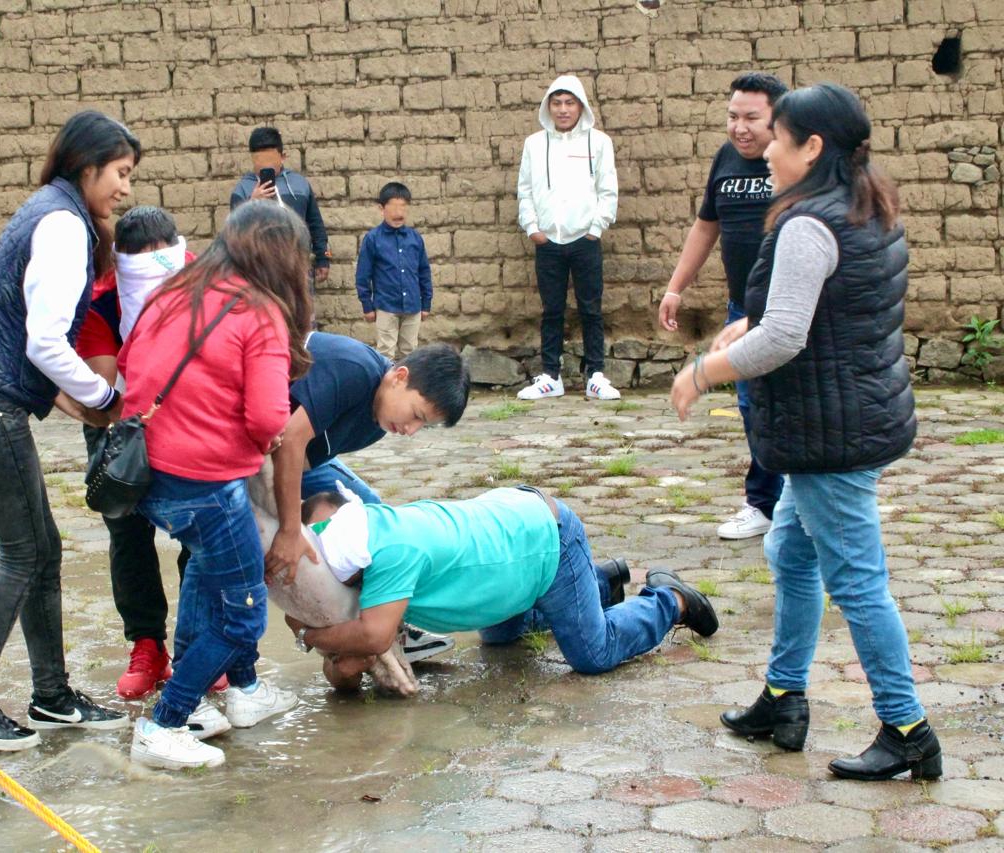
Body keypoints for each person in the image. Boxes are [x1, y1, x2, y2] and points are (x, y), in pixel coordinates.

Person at [670, 83, 940, 782]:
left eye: (780, 141)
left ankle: (908, 727)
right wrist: (741, 325)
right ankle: (785, 697)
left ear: (812, 148)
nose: (768, 154)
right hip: (854, 416)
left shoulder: (807, 224)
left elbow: (786, 336)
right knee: (790, 547)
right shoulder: (864, 206)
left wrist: (704, 370)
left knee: (857, 581)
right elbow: (824, 311)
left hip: (830, 435)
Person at [0, 111, 139, 750]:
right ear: (89, 165)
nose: (126, 190)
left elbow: (33, 347)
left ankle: (52, 696)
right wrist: (107, 395)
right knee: (24, 554)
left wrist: (81, 405)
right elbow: (46, 342)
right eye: (121, 174)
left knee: (42, 549)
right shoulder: (60, 225)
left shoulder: (54, 212)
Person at [119, 201, 314, 770]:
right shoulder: (260, 314)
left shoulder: (173, 292)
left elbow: (132, 366)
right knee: (243, 615)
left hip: (149, 478)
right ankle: (166, 723)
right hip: (205, 483)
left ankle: (240, 694)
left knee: (208, 575)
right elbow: (264, 418)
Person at [285, 487, 716, 691]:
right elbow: (344, 669)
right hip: (511, 551)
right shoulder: (367, 536)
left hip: (547, 538)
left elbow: (374, 637)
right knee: (499, 636)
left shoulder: (390, 554)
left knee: (592, 653)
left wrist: (308, 635)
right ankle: (597, 583)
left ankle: (669, 599)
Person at [264, 333, 471, 663]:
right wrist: (289, 531)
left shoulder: (380, 420)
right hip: (255, 441)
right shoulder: (354, 370)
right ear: (399, 377)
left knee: (376, 518)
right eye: (416, 415)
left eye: (424, 426)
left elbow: (301, 460)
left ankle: (390, 627)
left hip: (296, 455)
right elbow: (289, 441)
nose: (411, 430)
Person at [659, 73, 789, 542]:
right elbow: (704, 227)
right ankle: (764, 503)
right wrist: (676, 287)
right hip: (744, 306)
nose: (740, 128)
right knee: (752, 404)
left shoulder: (792, 167)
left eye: (752, 118)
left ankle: (795, 499)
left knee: (790, 403)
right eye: (733, 116)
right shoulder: (726, 159)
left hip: (790, 309)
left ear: (778, 118)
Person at [72, 206, 191, 701]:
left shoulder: (201, 281)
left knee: (199, 532)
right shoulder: (101, 302)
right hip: (119, 422)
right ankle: (147, 645)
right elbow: (103, 389)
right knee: (128, 534)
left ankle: (195, 647)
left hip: (192, 417)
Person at [516, 74, 620, 402]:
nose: (563, 110)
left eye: (569, 103)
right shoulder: (535, 144)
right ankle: (550, 376)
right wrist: (532, 227)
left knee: (591, 308)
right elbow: (525, 190)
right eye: (557, 103)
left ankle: (596, 375)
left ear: (581, 106)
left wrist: (596, 228)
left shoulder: (598, 142)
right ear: (549, 106)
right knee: (552, 310)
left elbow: (608, 188)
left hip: (584, 240)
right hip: (548, 241)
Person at [229, 126, 330, 288]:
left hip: (298, 272)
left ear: (282, 157)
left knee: (302, 313)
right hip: (259, 277)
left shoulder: (300, 185)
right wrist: (252, 203)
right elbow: (234, 234)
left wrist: (324, 257)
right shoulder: (243, 190)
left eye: (270, 162)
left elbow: (315, 224)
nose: (264, 167)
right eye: (259, 162)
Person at [355, 182, 432, 360]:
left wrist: (426, 303)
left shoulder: (415, 239)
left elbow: (424, 272)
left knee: (410, 352)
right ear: (381, 208)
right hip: (386, 306)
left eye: (403, 207)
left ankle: (407, 387)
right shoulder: (373, 239)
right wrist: (367, 305)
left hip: (413, 306)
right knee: (385, 353)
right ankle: (386, 386)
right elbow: (363, 275)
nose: (399, 213)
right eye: (393, 208)